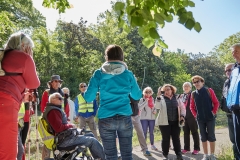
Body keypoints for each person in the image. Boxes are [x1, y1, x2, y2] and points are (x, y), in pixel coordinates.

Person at [83, 44, 142, 160]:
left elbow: (88, 97)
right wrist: (131, 83)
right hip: (124, 116)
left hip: (106, 117)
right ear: (122, 57)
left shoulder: (98, 73)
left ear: (107, 57)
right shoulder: (128, 74)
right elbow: (137, 95)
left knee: (110, 156)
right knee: (127, 155)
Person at [0, 32, 40, 160]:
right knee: (8, 152)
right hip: (6, 106)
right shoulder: (24, 57)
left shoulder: (3, 55)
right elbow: (34, 83)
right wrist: (30, 58)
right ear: (24, 46)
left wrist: (21, 97)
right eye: (30, 47)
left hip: (6, 100)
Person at [43, 92, 105, 160]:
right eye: (60, 99)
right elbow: (58, 128)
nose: (62, 100)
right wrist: (71, 126)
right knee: (92, 141)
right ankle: (103, 158)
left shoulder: (53, 109)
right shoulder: (53, 111)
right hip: (64, 140)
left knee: (90, 134)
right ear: (53, 100)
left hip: (65, 137)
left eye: (62, 99)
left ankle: (97, 158)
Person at [40, 75, 70, 160]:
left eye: (59, 81)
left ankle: (62, 158)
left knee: (63, 145)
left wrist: (66, 119)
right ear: (51, 83)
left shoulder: (64, 94)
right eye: (55, 81)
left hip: (62, 121)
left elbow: (66, 108)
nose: (57, 83)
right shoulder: (47, 92)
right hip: (50, 122)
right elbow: (43, 108)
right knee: (48, 143)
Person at [190, 75, 219, 160]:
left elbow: (216, 103)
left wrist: (213, 112)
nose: (196, 83)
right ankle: (206, 155)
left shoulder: (209, 91)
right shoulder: (193, 94)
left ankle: (212, 155)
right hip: (200, 119)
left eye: (198, 81)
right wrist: (196, 115)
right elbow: (191, 107)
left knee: (211, 136)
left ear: (202, 82)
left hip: (210, 118)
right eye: (194, 82)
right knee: (203, 137)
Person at [155, 84, 185, 160]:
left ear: (172, 90)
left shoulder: (177, 97)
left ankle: (178, 154)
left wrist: (182, 116)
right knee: (165, 139)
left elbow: (182, 108)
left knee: (176, 138)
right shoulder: (161, 98)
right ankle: (165, 155)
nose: (167, 91)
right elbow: (157, 107)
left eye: (168, 89)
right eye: (165, 90)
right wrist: (158, 96)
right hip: (164, 122)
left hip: (175, 121)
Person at [221, 63, 239, 159]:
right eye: (226, 70)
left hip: (238, 114)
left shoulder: (238, 80)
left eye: (230, 69)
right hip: (229, 115)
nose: (227, 72)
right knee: (233, 140)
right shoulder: (226, 82)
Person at [227, 43, 240, 160]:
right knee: (238, 140)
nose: (233, 53)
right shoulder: (234, 69)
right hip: (235, 109)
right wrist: (229, 104)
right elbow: (231, 88)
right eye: (232, 51)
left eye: (236, 50)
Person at [181, 82, 200, 155]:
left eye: (187, 86)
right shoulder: (182, 96)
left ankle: (196, 148)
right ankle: (186, 148)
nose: (186, 87)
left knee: (194, 132)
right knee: (185, 133)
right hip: (183, 117)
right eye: (184, 86)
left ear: (190, 87)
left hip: (192, 116)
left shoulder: (193, 94)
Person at [138, 87, 158, 151]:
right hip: (143, 118)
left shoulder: (153, 99)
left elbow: (155, 107)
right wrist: (145, 102)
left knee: (151, 132)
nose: (148, 93)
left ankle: (152, 145)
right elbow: (139, 108)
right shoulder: (142, 99)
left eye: (149, 92)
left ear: (151, 93)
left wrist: (155, 111)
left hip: (152, 118)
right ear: (144, 92)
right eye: (146, 92)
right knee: (144, 132)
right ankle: (144, 146)